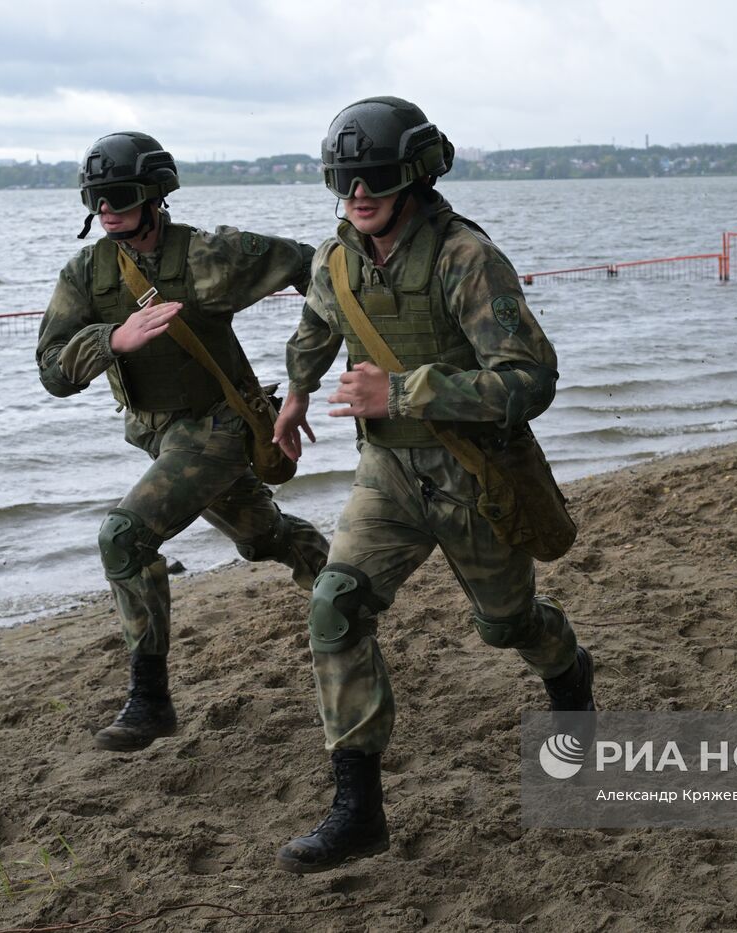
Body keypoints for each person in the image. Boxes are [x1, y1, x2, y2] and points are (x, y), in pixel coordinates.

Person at [271, 96, 596, 872]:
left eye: (373, 176)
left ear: (414, 174)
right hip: (386, 473)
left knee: (506, 626)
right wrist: (294, 394)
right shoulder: (335, 258)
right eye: (343, 178)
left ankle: (572, 674)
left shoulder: (464, 258)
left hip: (475, 477)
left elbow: (530, 379)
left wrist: (406, 392)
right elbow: (317, 327)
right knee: (335, 602)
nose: (357, 193)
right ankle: (358, 809)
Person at [36, 131, 329, 752]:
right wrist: (111, 342)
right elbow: (51, 371)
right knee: (261, 538)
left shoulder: (206, 256)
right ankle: (339, 587)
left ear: (153, 195)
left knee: (124, 536)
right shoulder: (86, 273)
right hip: (160, 437)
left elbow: (315, 266)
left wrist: (315, 363)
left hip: (220, 428)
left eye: (117, 195)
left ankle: (150, 700)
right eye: (95, 198)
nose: (105, 209)